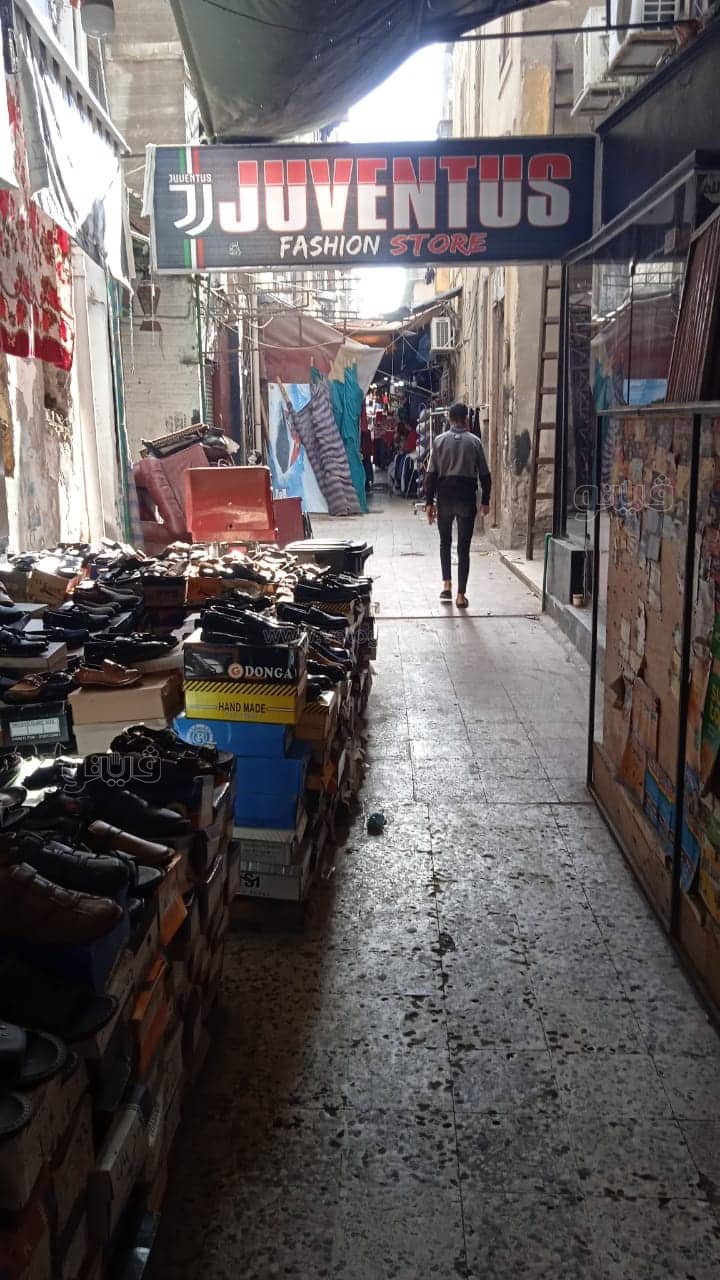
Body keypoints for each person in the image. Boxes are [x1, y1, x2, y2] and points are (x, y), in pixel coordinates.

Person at [424, 402, 491, 609]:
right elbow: (485, 475)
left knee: (445, 542)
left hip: (445, 497)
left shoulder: (439, 441)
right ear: (466, 420)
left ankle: (447, 585)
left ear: (450, 419)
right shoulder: (475, 442)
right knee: (463, 547)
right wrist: (486, 500)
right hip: (466, 497)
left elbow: (431, 475)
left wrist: (429, 503)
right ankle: (461, 596)